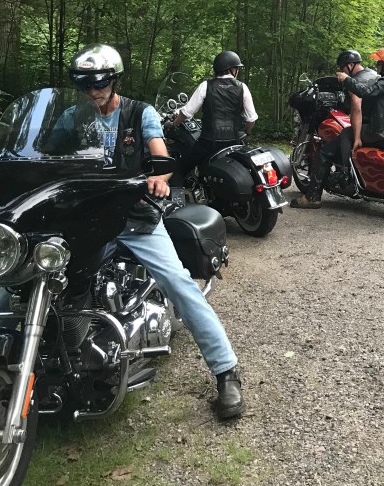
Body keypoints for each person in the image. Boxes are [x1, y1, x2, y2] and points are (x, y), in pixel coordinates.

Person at [64, 43, 244, 420]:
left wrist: (159, 177)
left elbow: (159, 153)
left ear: (113, 80)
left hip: (134, 216)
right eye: (86, 85)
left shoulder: (138, 112)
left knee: (178, 282)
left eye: (100, 83)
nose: (94, 91)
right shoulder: (71, 117)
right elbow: (43, 153)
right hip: (85, 218)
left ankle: (226, 371)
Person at [291, 49, 378, 210]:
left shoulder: (355, 80)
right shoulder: (373, 74)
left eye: (342, 67)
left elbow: (357, 106)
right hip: (377, 126)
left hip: (365, 128)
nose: (341, 71)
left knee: (325, 152)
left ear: (350, 66)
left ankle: (313, 197)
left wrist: (357, 135)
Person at [173, 50, 258, 179]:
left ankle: (173, 197)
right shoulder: (242, 87)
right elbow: (251, 119)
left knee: (180, 169)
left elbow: (186, 112)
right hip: (234, 143)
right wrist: (246, 132)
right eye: (236, 68)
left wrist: (175, 124)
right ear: (230, 69)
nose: (238, 71)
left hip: (208, 143)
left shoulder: (206, 86)